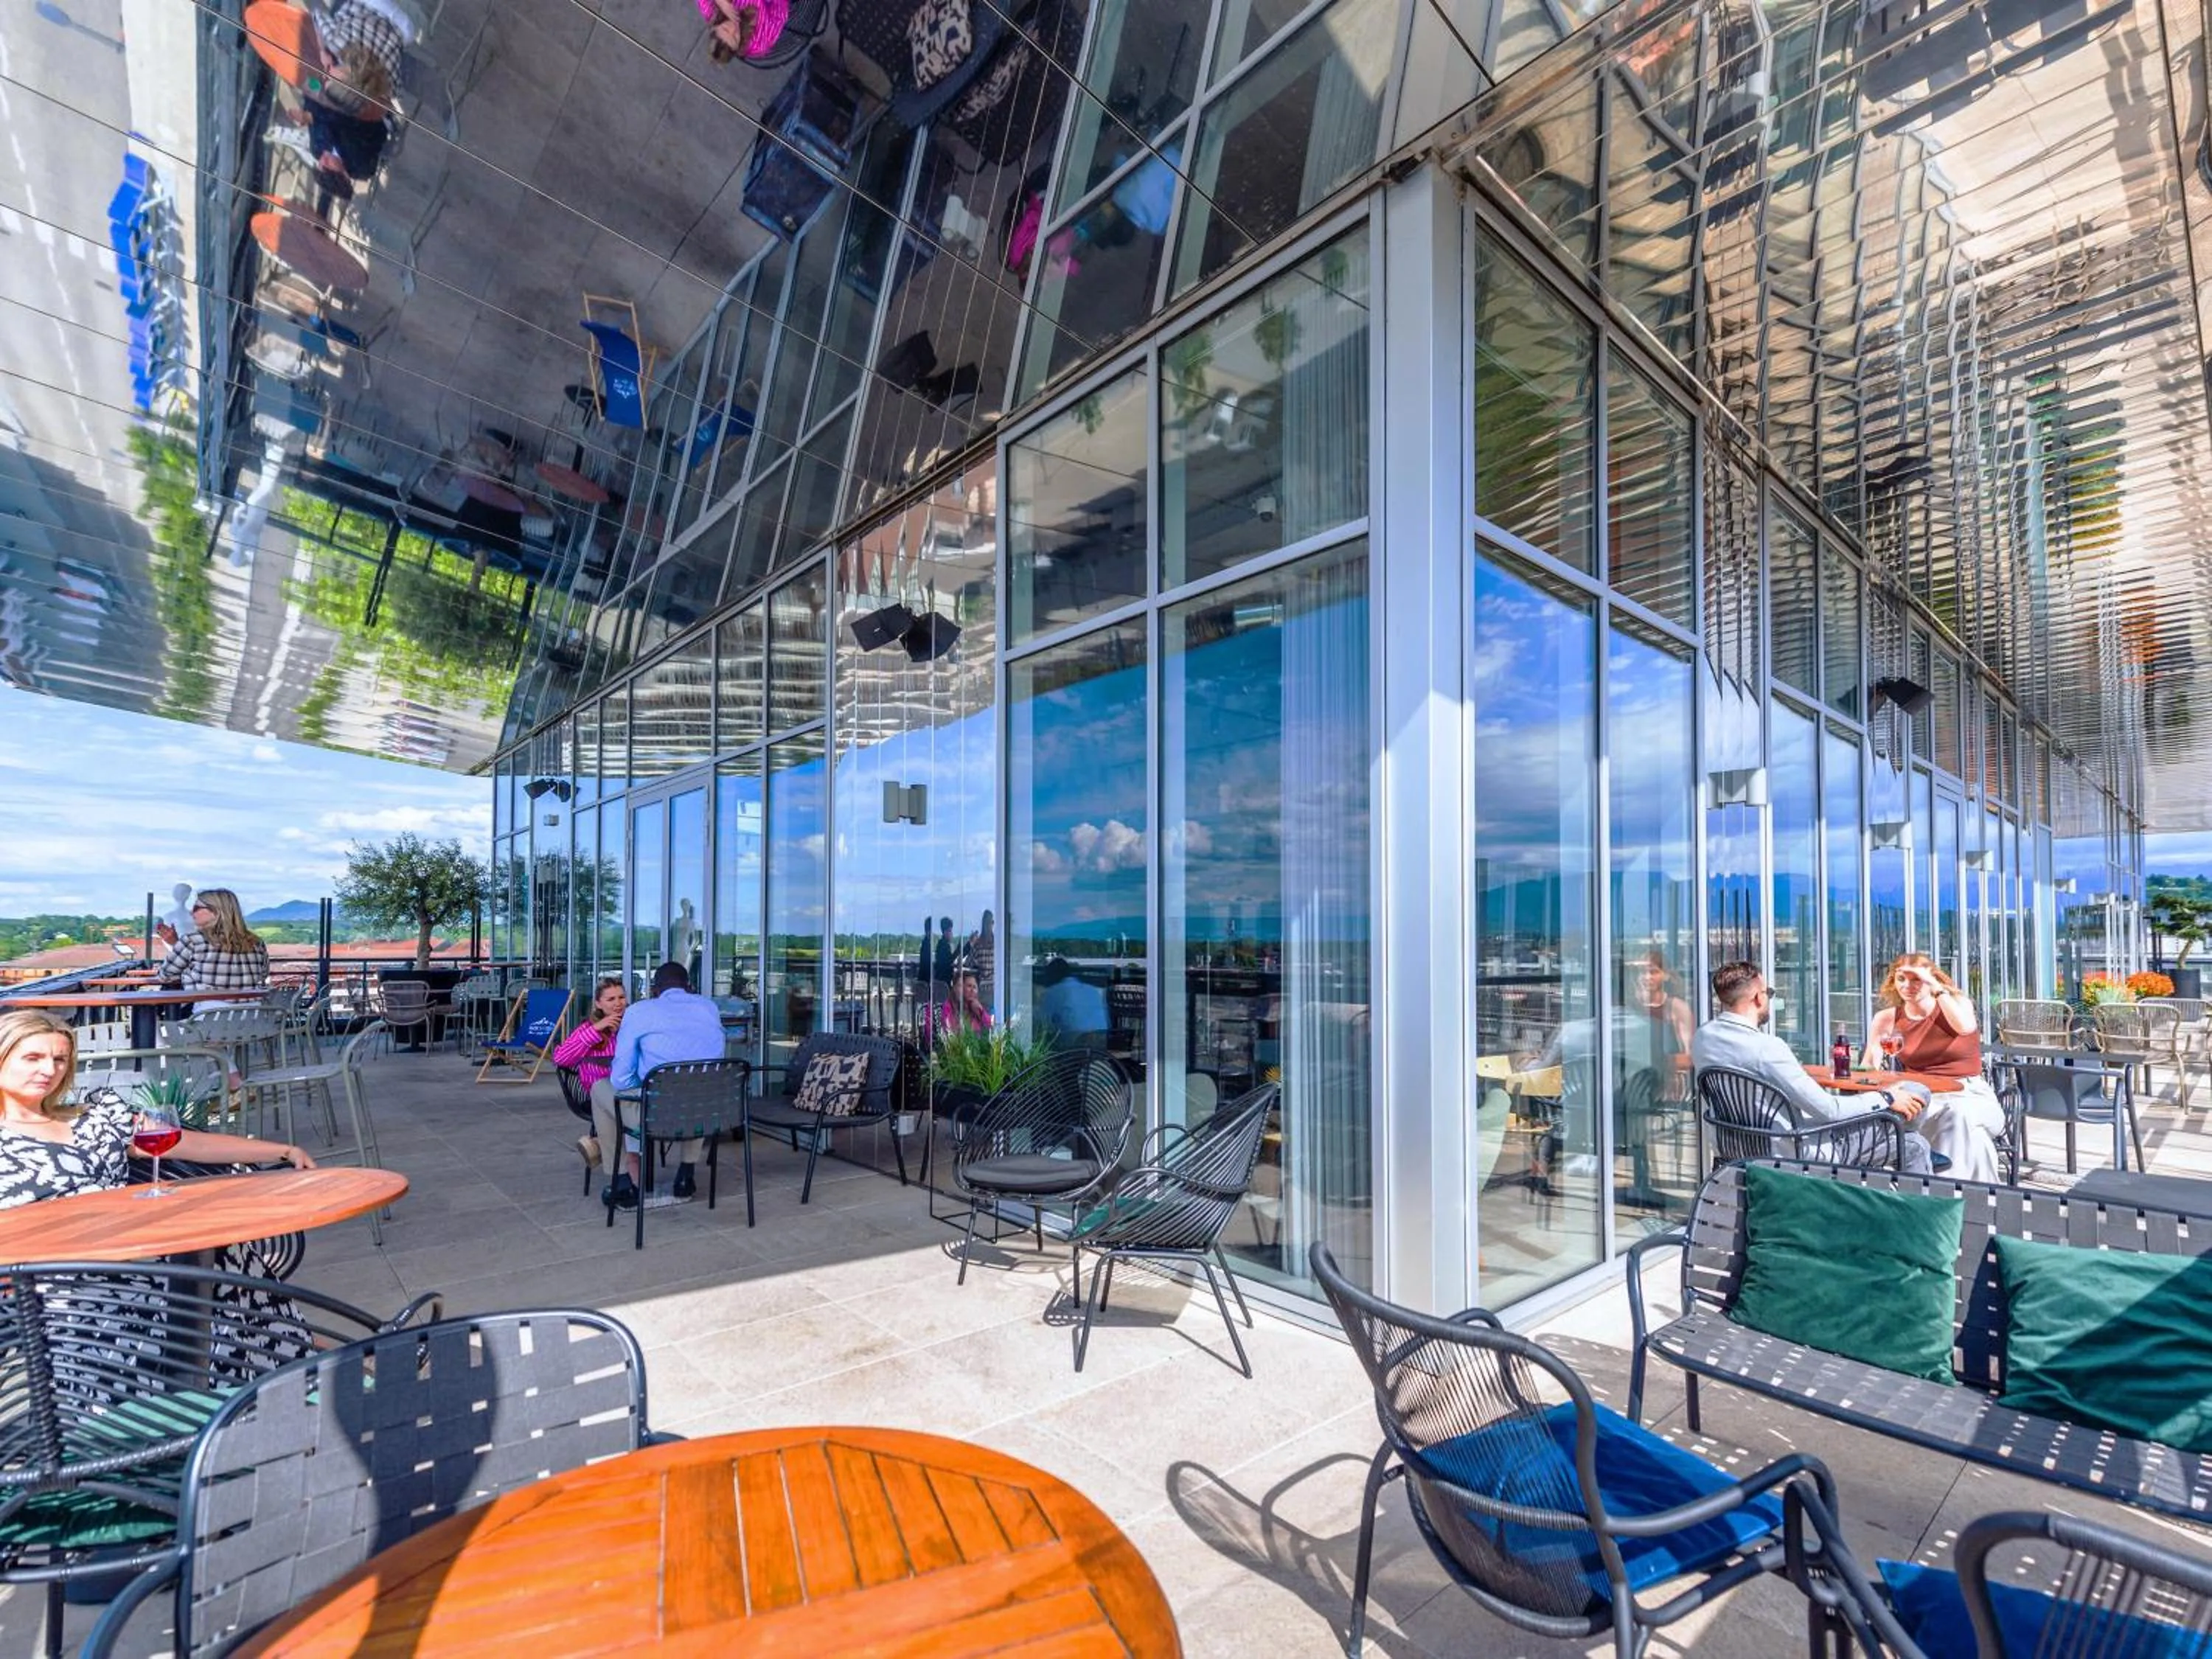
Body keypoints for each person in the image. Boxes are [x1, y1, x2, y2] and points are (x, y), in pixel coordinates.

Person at [0, 1009, 312, 1209]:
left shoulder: (96, 1117)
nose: (49, 1070)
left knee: (224, 1259)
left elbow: (188, 1142)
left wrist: (283, 1151)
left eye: (59, 1060)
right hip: (47, 1278)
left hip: (131, 1247)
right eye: (32, 1058)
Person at [1691, 961, 1936, 1175]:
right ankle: (1917, 1220)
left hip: (1734, 1148)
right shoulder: (1768, 1047)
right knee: (1916, 1116)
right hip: (1794, 1153)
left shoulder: (1703, 1038)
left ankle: (1897, 1138)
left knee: (1909, 1134)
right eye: (1769, 993)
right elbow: (1829, 1111)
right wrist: (1885, 1097)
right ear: (1758, 997)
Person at [1868, 953, 2007, 1183]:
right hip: (1921, 1097)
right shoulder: (1887, 1018)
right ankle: (1981, 1199)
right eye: (1901, 979)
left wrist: (1936, 987)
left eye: (1916, 980)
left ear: (1932, 980)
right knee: (1975, 1137)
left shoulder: (1957, 1005)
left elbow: (1965, 1027)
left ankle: (1939, 1193)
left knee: (1959, 1114)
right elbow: (1870, 1065)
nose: (1907, 986)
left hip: (1970, 1093)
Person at [602, 961, 725, 1210]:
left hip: (656, 1114)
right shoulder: (709, 1008)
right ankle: (686, 1173)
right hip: (704, 1112)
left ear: (655, 990)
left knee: (601, 1088)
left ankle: (624, 1179)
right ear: (689, 988)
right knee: (697, 1088)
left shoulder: (639, 1011)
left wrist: (638, 1084)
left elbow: (620, 1077)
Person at [550, 977, 627, 1183]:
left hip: (627, 1092)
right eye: (611, 999)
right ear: (598, 1004)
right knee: (626, 1114)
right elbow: (560, 1058)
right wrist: (597, 1029)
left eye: (621, 997)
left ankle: (599, 1146)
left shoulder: (631, 1027)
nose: (618, 1003)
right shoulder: (588, 1029)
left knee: (629, 1109)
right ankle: (624, 1179)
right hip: (596, 1097)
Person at [154, 888, 271, 1012]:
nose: (191, 913)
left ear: (215, 911)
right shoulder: (257, 943)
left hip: (206, 1023)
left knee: (158, 1014)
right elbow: (263, 974)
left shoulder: (193, 940)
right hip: (250, 1021)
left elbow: (165, 976)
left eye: (196, 908)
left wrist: (188, 973)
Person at [700, 0, 789, 63]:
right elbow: (779, 16)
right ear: (738, 47)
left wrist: (720, 2)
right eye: (735, 37)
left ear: (715, 27)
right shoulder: (759, 42)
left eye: (725, 29)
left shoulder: (710, 9)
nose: (734, 29)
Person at [930, 968, 992, 1044]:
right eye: (969, 986)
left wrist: (980, 1011)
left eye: (975, 987)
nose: (972, 990)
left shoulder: (977, 1007)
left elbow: (991, 1027)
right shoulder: (949, 1006)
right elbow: (951, 1034)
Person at [965, 909, 996, 1007]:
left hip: (983, 989)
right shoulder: (998, 944)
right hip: (996, 988)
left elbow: (968, 963)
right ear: (992, 923)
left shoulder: (978, 944)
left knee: (982, 1018)